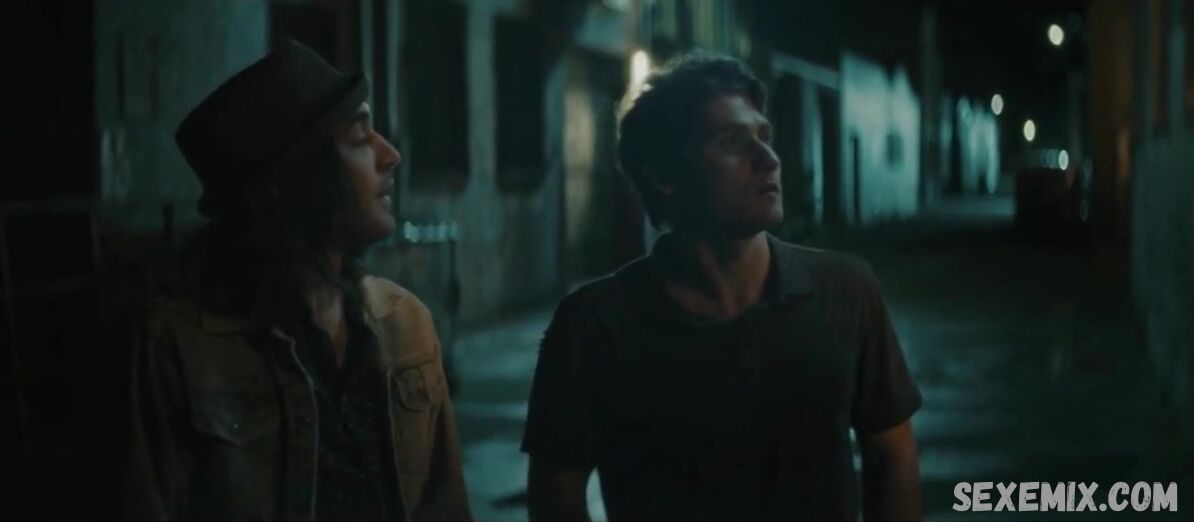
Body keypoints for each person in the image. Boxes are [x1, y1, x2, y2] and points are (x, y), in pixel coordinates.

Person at [523, 53, 922, 521]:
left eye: (764, 137)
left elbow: (892, 455)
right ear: (664, 175)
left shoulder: (845, 290)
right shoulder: (592, 324)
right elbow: (556, 494)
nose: (768, 159)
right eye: (733, 142)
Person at [125, 40, 471, 521]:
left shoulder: (407, 325)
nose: (389, 155)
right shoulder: (175, 352)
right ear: (296, 180)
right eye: (359, 138)